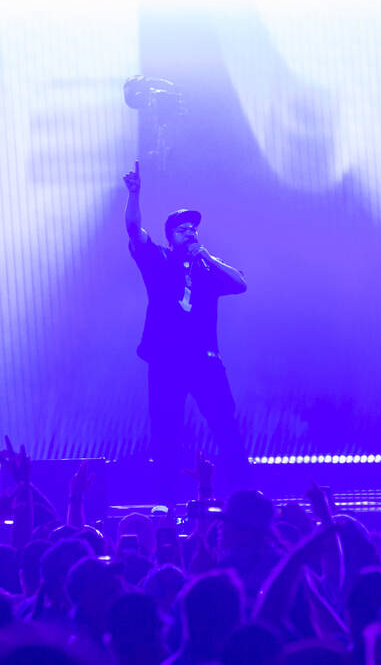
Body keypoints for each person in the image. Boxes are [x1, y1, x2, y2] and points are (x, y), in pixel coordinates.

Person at [122, 160, 250, 503]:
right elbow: (134, 230)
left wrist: (205, 254)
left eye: (193, 227)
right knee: (166, 436)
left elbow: (240, 284)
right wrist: (134, 195)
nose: (190, 231)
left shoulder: (207, 269)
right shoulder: (159, 261)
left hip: (206, 362)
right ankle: (166, 505)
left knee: (227, 430)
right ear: (170, 235)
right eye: (182, 228)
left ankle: (245, 499)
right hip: (166, 362)